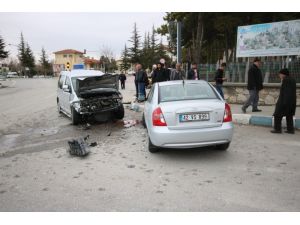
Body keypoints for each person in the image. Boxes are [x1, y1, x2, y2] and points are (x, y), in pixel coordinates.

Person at [271, 68, 296, 134]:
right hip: (292, 102)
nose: (279, 75)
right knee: (289, 115)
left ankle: (277, 129)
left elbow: (287, 92)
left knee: (277, 115)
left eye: (280, 74)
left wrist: (284, 103)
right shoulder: (292, 79)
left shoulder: (286, 80)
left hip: (285, 102)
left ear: (283, 74)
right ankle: (290, 130)